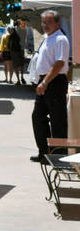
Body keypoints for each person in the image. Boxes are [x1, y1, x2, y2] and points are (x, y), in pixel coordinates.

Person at [30, 10, 70, 162]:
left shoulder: (60, 39)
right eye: (43, 22)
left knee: (57, 120)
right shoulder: (48, 38)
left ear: (57, 23)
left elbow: (59, 63)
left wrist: (45, 82)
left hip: (54, 81)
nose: (45, 25)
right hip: (45, 81)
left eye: (49, 22)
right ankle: (44, 152)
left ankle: (59, 156)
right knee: (38, 117)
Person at [7, 22, 27, 88]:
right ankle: (22, 77)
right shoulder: (24, 30)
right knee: (21, 65)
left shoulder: (12, 35)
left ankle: (18, 80)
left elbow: (9, 45)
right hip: (21, 49)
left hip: (14, 51)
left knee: (16, 65)